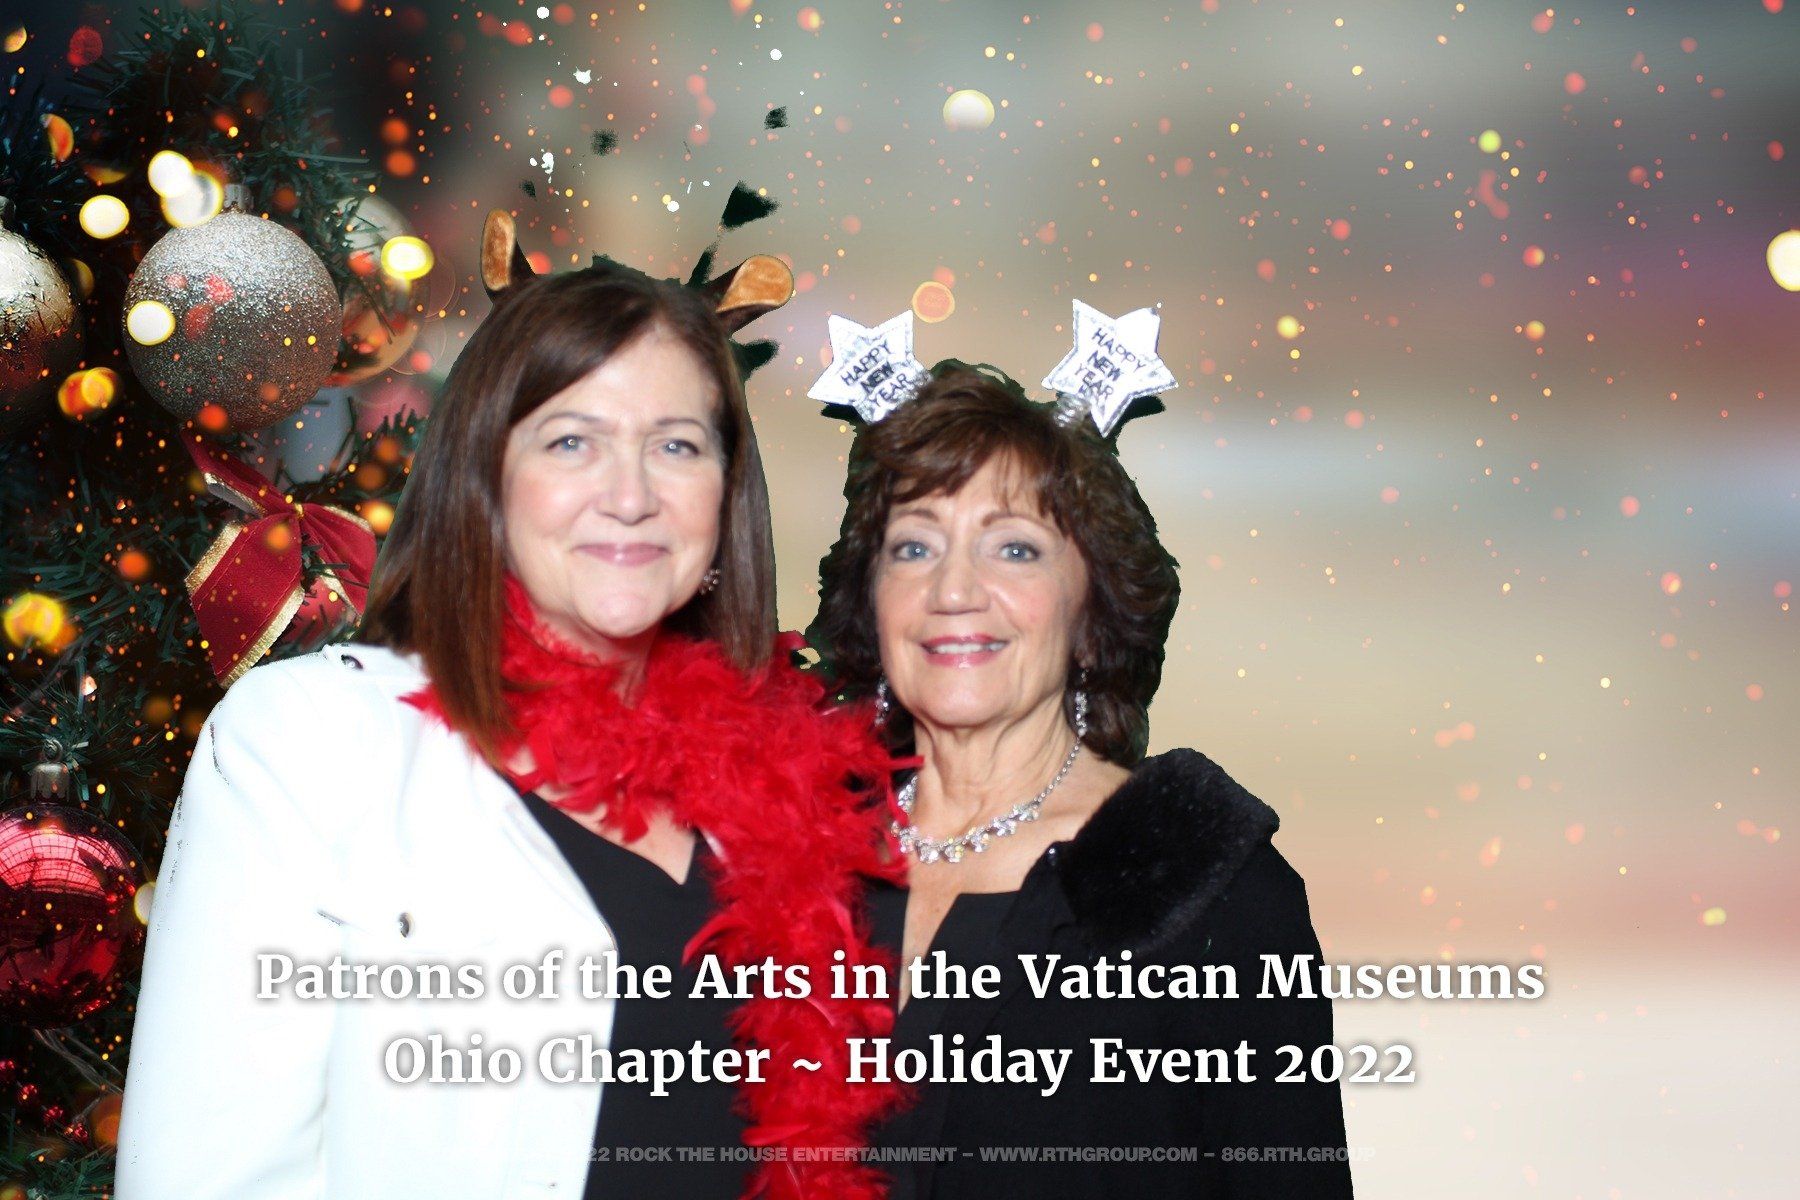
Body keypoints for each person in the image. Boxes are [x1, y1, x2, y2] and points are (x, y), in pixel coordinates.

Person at [116, 218, 905, 1200]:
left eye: (676, 445)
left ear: (725, 495)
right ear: (482, 476)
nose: (630, 495)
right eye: (572, 441)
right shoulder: (311, 744)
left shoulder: (795, 788)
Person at [811, 366, 1356, 1197]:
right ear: (871, 603)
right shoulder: (787, 862)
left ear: (1094, 616)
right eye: (914, 547)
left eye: (1015, 548)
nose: (952, 590)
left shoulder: (1205, 885)